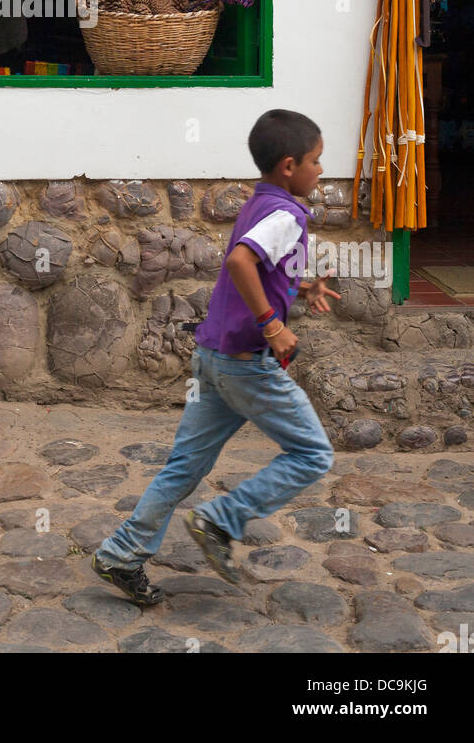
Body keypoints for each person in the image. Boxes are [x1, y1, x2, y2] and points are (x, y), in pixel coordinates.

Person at [92, 109, 339, 606]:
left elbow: (260, 266)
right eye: (317, 161)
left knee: (184, 465)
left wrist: (302, 286)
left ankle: (121, 554)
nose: (321, 170)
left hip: (212, 354)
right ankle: (221, 520)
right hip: (246, 362)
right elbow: (240, 261)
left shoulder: (262, 202)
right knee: (313, 454)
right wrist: (274, 324)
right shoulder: (287, 213)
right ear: (290, 165)